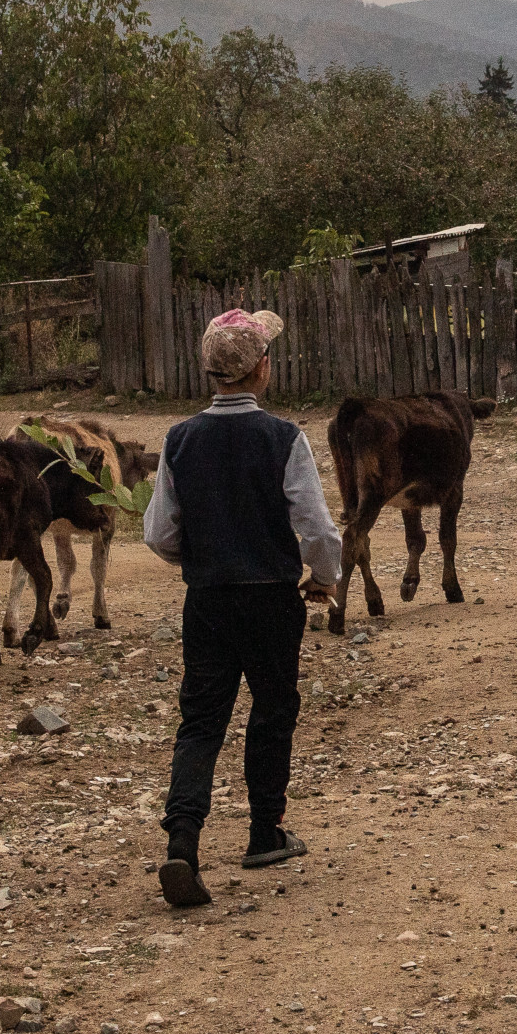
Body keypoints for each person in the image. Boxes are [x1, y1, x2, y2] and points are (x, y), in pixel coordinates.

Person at [141, 307, 342, 909]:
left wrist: (202, 561)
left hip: (207, 600)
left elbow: (159, 533)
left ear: (210, 372)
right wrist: (324, 580)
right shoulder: (284, 438)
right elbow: (317, 527)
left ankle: (183, 841)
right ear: (261, 369)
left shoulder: (179, 439)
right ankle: (264, 831)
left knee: (201, 719)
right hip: (270, 598)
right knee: (273, 707)